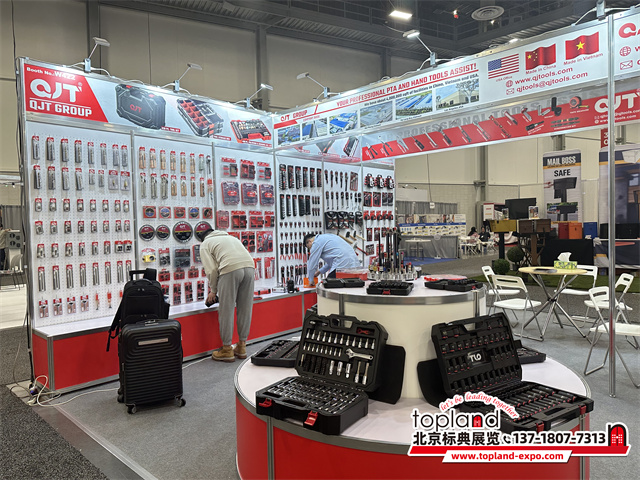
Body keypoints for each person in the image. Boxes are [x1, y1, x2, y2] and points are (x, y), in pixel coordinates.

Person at [197, 228, 255, 362]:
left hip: (230, 269)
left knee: (226, 310)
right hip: (250, 267)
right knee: (245, 308)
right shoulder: (232, 238)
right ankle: (242, 346)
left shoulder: (205, 244)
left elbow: (211, 270)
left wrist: (213, 290)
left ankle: (227, 349)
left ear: (202, 238)